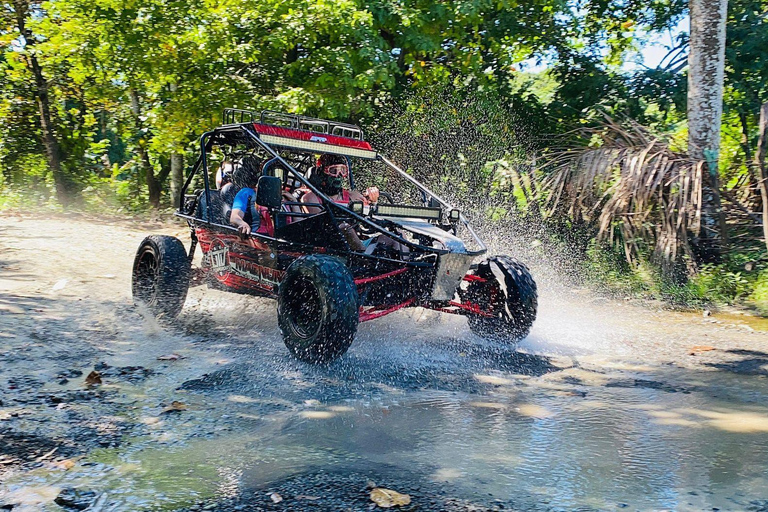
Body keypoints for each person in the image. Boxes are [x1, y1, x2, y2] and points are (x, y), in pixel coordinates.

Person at [301, 154, 379, 214]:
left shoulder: (354, 196)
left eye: (342, 170)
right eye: (333, 170)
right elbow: (324, 226)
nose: (339, 174)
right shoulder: (310, 198)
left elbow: (369, 220)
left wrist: (373, 201)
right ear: (322, 174)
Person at [229, 156, 274, 236]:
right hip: (260, 238)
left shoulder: (284, 195)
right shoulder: (247, 192)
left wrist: (293, 200)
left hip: (285, 239)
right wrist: (242, 224)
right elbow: (234, 217)